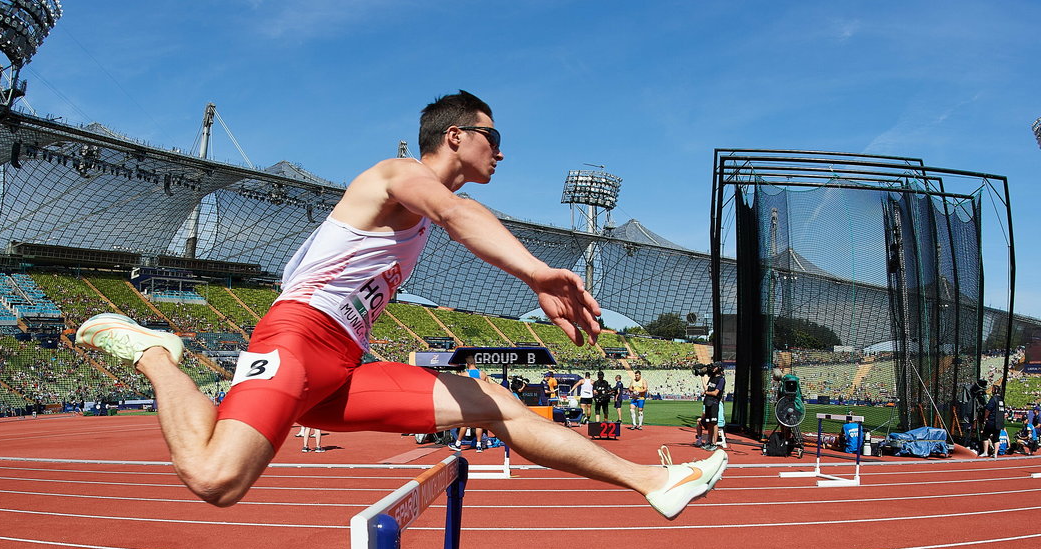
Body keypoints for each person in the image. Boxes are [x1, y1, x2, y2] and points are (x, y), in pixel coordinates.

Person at [76, 90, 726, 519]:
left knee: (497, 405)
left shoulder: (428, 202)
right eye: (491, 135)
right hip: (296, 339)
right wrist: (535, 273)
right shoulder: (393, 177)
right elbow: (453, 210)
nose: (500, 150)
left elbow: (462, 214)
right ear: (453, 136)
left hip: (344, 366)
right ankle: (157, 354)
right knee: (218, 479)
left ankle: (651, 483)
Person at [453, 356, 489, 451]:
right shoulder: (483, 374)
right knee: (479, 424)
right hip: (480, 401)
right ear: (475, 363)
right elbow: (489, 388)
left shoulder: (464, 374)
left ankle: (458, 443)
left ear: (467, 364)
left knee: (465, 423)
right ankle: (478, 445)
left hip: (469, 401)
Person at [696, 364, 725, 450]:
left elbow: (715, 393)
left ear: (719, 368)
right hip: (708, 402)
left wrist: (705, 393)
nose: (713, 369)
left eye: (715, 367)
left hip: (714, 402)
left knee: (714, 423)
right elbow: (707, 388)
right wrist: (701, 376)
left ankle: (714, 443)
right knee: (709, 423)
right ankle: (709, 441)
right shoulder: (712, 377)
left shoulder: (721, 380)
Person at [979, 384, 1005, 458]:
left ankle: (985, 452)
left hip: (992, 421)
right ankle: (995, 454)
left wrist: (985, 417)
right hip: (999, 422)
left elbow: (988, 409)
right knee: (996, 438)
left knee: (985, 436)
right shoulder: (1001, 400)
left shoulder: (993, 399)